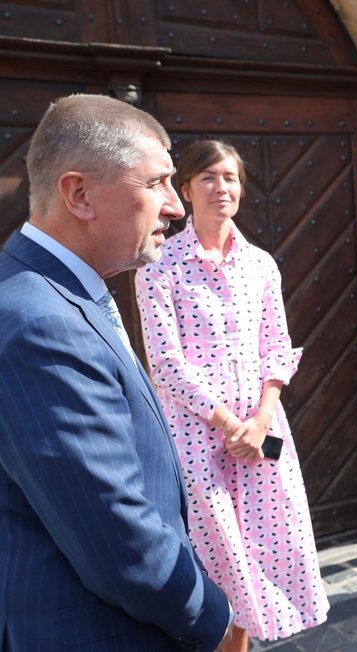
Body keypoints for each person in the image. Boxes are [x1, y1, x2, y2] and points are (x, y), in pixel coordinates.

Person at [0, 94, 233, 650]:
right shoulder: (42, 324)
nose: (175, 207)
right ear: (79, 194)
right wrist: (214, 621)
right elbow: (116, 537)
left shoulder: (57, 293)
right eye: (156, 184)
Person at [135, 140, 329, 650]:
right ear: (185, 189)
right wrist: (230, 424)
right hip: (199, 437)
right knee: (218, 563)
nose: (222, 188)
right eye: (209, 178)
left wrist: (261, 421)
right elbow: (166, 365)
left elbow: (277, 348)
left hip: (262, 432)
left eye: (231, 178)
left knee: (264, 554)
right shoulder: (159, 266)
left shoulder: (261, 264)